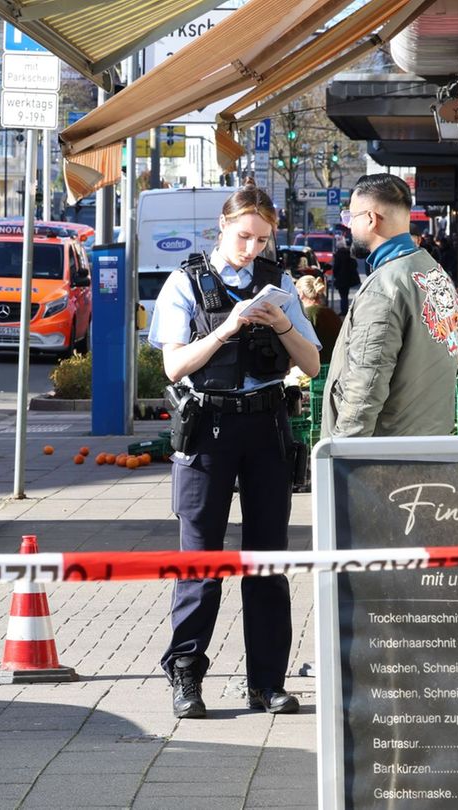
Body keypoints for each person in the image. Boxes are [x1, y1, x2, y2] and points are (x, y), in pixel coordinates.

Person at [148, 182, 321, 720]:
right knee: (200, 559)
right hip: (209, 428)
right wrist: (227, 327)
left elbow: (312, 364)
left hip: (267, 425)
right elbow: (174, 367)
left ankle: (266, 683)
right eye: (244, 236)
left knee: (266, 560)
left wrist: (284, 323)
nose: (252, 249)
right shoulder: (185, 283)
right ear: (222, 228)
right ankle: (186, 677)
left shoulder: (279, 282)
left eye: (262, 239)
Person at [323, 174, 458, 438]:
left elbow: (365, 386)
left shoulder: (384, 289)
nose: (348, 226)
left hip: (386, 456)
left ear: (371, 219)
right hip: (428, 440)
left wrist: (341, 455)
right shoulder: (433, 271)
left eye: (351, 218)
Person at [295, 275, 340, 365]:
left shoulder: (305, 315)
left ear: (301, 293)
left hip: (315, 367)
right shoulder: (331, 312)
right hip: (334, 365)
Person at [330, 244, 358, 315]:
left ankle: (344, 311)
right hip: (348, 279)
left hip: (341, 279)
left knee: (343, 296)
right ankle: (345, 310)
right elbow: (355, 266)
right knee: (345, 295)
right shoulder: (350, 256)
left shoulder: (338, 256)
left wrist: (336, 275)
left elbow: (335, 268)